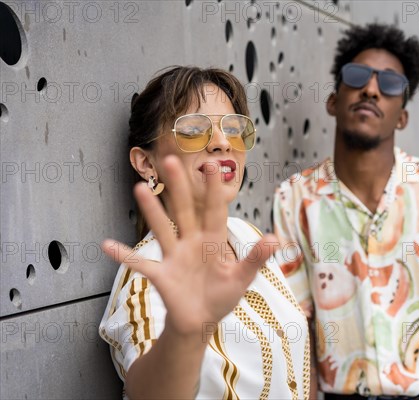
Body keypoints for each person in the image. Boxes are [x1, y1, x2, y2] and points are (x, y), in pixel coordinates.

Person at [273, 24, 419, 399]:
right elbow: (299, 318)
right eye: (357, 76)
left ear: (402, 118)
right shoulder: (293, 199)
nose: (371, 89)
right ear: (333, 101)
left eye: (391, 84)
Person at [99, 66, 310, 399]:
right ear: (147, 164)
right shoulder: (149, 273)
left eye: (235, 128)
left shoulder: (248, 237)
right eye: (194, 128)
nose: (223, 143)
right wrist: (185, 333)